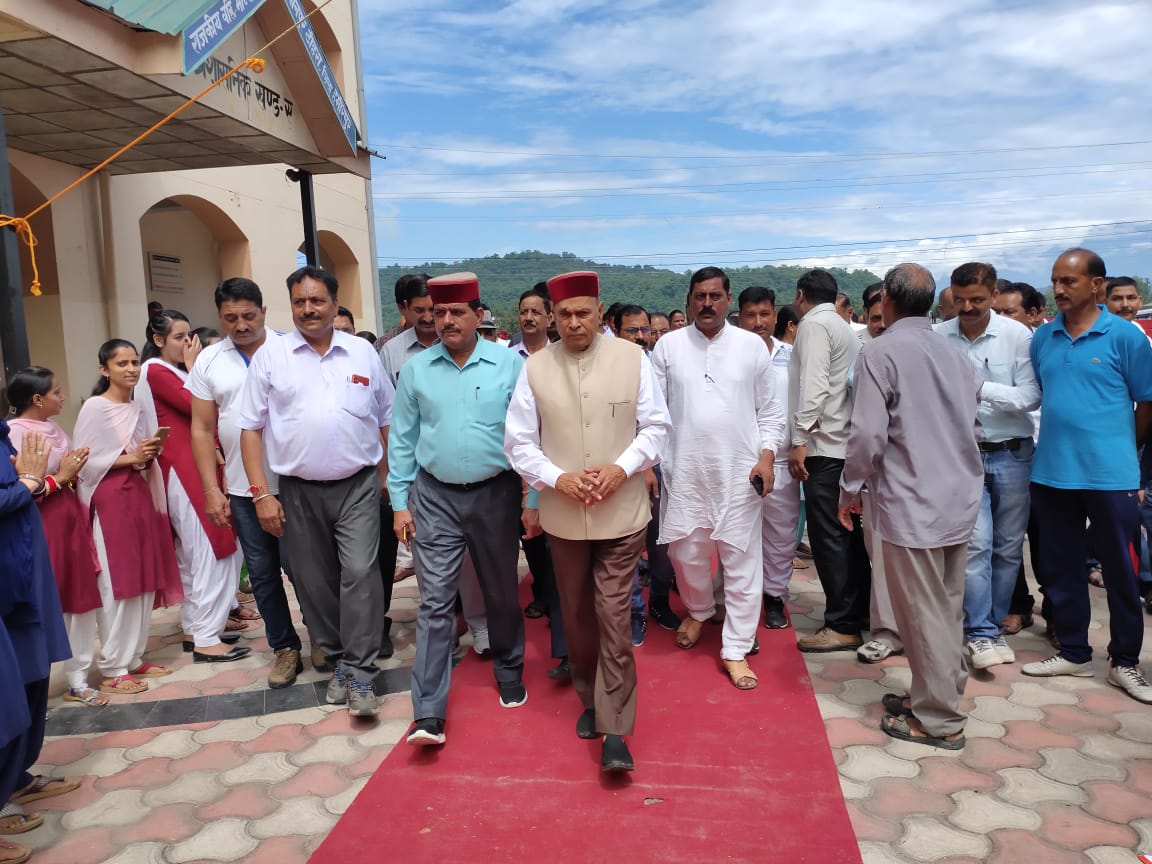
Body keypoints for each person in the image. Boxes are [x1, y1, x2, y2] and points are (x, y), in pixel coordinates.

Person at [506, 270, 669, 772]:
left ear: (600, 313)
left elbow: (657, 425)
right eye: (565, 314)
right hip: (563, 517)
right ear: (552, 318)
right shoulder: (535, 367)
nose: (575, 322)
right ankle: (591, 699)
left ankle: (616, 729)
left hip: (622, 515)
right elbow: (518, 443)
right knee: (575, 616)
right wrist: (557, 478)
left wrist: (624, 467)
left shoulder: (632, 358)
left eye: (584, 312)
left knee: (613, 616)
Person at [239, 266, 393, 717]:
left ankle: (362, 673)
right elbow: (250, 429)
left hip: (359, 485)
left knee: (361, 573)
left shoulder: (363, 353)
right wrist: (262, 494)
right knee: (312, 580)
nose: (308, 309)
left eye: (317, 301)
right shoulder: (272, 356)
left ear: (334, 303)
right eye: (300, 302)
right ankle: (340, 658)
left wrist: (390, 479)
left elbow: (386, 419)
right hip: (297, 490)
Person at [840, 263, 981, 749]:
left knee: (921, 613)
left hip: (911, 502)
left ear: (890, 302)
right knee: (945, 607)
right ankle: (936, 693)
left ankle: (938, 719)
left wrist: (849, 487)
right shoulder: (956, 353)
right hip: (957, 497)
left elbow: (866, 435)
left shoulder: (880, 353)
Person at [389, 272, 528, 747]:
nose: (444, 321)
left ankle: (509, 670)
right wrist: (399, 504)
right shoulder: (417, 370)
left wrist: (531, 497)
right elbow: (403, 440)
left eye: (456, 312)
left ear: (478, 316)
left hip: (496, 493)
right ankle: (428, 711)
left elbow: (527, 436)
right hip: (434, 497)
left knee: (501, 591)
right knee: (435, 601)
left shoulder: (508, 365)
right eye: (437, 313)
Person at [1022, 249, 1152, 703]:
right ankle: (1074, 651)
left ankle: (1125, 661)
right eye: (1055, 281)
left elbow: (1146, 403)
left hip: (1111, 475)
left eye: (1069, 282)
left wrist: (1121, 453)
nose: (1058, 290)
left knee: (1120, 570)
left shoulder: (1126, 337)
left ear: (1097, 285)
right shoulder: (1043, 339)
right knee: (1061, 568)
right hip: (1053, 473)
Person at [652, 267, 784, 690]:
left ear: (728, 300)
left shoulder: (751, 347)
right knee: (685, 555)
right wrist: (648, 467)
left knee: (742, 562)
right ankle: (700, 609)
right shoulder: (668, 347)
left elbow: (771, 411)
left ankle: (736, 649)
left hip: (739, 472)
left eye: (715, 296)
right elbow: (653, 414)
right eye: (699, 296)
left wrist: (767, 459)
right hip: (685, 470)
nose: (706, 304)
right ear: (690, 300)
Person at [188, 277, 308, 687]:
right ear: (220, 317)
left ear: (263, 312)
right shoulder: (209, 361)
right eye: (230, 318)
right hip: (242, 488)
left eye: (248, 316)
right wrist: (211, 489)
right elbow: (202, 430)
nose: (240, 325)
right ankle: (285, 648)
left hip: (297, 482)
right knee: (261, 574)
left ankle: (326, 639)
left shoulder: (291, 348)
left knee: (308, 568)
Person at [936, 263, 1040, 670]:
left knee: (1009, 548)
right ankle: (980, 633)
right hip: (962, 455)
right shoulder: (938, 337)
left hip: (1013, 453)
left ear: (994, 296)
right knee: (975, 544)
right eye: (959, 300)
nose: (967, 308)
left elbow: (1030, 397)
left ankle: (991, 627)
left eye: (977, 300)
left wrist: (978, 388)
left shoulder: (1017, 336)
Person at [139, 310, 250, 664]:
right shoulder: (157, 371)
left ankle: (197, 627)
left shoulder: (170, 371)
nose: (189, 343)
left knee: (200, 552)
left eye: (191, 336)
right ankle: (205, 635)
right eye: (179, 337)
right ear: (158, 341)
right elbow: (198, 406)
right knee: (209, 550)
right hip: (183, 470)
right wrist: (193, 368)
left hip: (191, 465)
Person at [72, 340, 182, 695]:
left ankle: (133, 658)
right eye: (122, 364)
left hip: (139, 493)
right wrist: (129, 458)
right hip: (110, 499)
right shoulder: (95, 407)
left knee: (142, 578)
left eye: (135, 362)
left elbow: (139, 455)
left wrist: (146, 455)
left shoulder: (137, 406)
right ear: (105, 370)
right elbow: (82, 461)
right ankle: (113, 667)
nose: (132, 369)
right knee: (118, 582)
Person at [0, 414, 79, 847]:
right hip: (8, 580)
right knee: (7, 697)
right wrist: (31, 483)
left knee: (32, 677)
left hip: (22, 570)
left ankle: (17, 777)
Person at [7, 368, 105, 705]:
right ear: (37, 399)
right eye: (56, 392)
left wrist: (72, 474)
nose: (63, 397)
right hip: (41, 521)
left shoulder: (52, 428)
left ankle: (77, 675)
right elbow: (23, 488)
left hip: (68, 515)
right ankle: (34, 680)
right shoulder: (16, 434)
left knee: (80, 594)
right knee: (45, 599)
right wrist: (61, 476)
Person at [788, 269, 871, 653]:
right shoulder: (841, 326)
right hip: (844, 446)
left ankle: (842, 624)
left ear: (800, 294)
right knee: (847, 538)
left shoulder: (813, 325)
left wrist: (800, 438)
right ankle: (859, 613)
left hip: (825, 448)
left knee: (829, 541)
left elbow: (814, 384)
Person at [735, 287, 798, 630]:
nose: (758, 322)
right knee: (737, 533)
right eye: (750, 315)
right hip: (739, 461)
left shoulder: (794, 354)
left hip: (782, 459)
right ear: (739, 317)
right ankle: (734, 597)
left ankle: (774, 596)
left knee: (781, 532)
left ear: (776, 316)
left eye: (764, 314)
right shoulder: (727, 354)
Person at [376, 272, 432, 349]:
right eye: (419, 310)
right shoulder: (386, 347)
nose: (428, 319)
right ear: (403, 307)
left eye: (432, 309)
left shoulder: (449, 341)